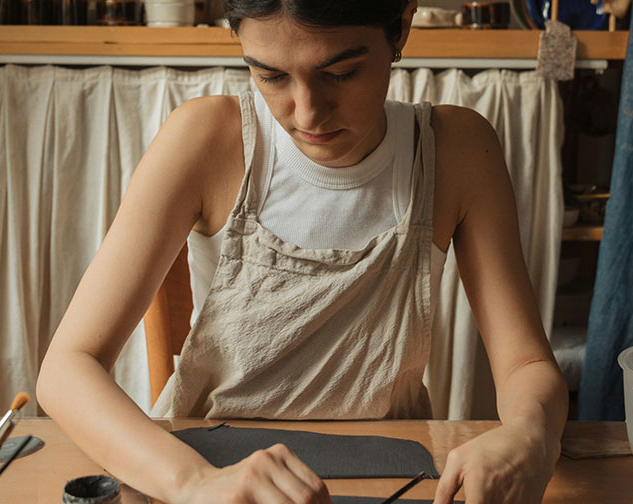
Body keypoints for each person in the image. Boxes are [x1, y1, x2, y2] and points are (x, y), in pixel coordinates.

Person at [36, 0, 569, 502]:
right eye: (270, 76)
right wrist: (194, 483)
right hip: (214, 476)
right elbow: (67, 369)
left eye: (341, 73)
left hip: (391, 472)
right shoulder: (206, 139)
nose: (308, 113)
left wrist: (529, 433)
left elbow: (525, 362)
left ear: (402, 27)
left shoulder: (455, 149)